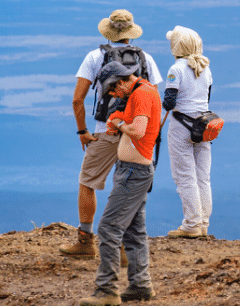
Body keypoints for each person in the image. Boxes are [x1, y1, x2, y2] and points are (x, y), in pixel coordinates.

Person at [60, 10, 162, 262]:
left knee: (88, 182)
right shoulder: (146, 58)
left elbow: (77, 99)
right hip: (136, 132)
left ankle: (85, 241)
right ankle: (125, 249)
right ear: (130, 33)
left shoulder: (95, 56)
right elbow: (152, 97)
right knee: (128, 185)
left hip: (104, 130)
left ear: (108, 31)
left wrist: (83, 131)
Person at [79, 61, 162, 305]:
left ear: (123, 80)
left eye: (114, 89)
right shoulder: (143, 90)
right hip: (133, 171)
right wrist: (117, 119)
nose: (113, 94)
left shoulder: (142, 95)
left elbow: (138, 129)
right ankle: (140, 285)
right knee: (134, 231)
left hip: (133, 173)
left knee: (108, 228)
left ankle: (107, 291)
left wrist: (118, 124)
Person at [163, 26, 213, 238]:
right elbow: (207, 97)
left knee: (184, 176)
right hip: (204, 125)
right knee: (203, 176)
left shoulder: (176, 69)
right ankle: (202, 222)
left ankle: (191, 224)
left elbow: (169, 102)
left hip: (181, 126)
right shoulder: (205, 68)